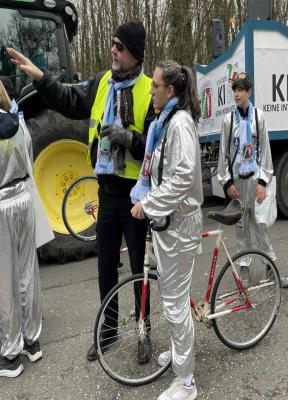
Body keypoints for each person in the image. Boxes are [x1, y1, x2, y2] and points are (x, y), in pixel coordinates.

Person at [7, 21, 155, 362]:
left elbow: (155, 148)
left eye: (120, 46)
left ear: (135, 54)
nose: (113, 49)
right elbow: (70, 100)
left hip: (136, 195)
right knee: (105, 267)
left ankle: (143, 331)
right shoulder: (103, 82)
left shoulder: (150, 90)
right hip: (105, 193)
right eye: (113, 43)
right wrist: (40, 77)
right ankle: (109, 331)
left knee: (139, 268)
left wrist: (130, 139)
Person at [131, 60, 203, 400]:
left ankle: (186, 382)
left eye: (155, 85)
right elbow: (162, 171)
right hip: (169, 224)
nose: (150, 90)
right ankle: (179, 351)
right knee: (173, 298)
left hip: (179, 224)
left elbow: (183, 176)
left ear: (170, 90)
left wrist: (148, 204)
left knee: (174, 304)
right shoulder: (164, 123)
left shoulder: (179, 123)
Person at [217, 74, 288, 288]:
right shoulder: (229, 120)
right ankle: (244, 267)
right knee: (241, 227)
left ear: (249, 92)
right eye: (234, 90)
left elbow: (265, 150)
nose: (236, 94)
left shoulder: (259, 117)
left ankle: (271, 267)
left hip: (255, 180)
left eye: (241, 90)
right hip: (237, 182)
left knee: (260, 226)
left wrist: (263, 183)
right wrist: (227, 183)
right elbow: (223, 154)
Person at [0, 81, 52, 377]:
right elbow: (30, 159)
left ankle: (10, 355)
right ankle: (32, 341)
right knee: (28, 272)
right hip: (22, 198)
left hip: (1, 205)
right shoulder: (18, 122)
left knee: (4, 280)